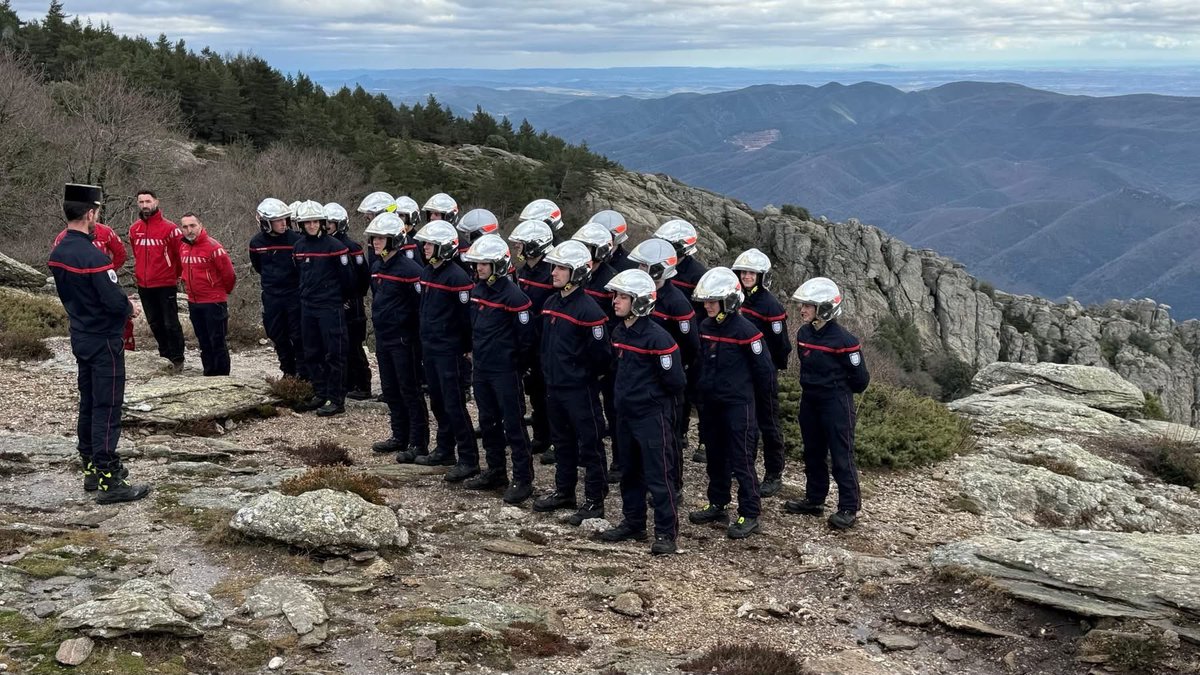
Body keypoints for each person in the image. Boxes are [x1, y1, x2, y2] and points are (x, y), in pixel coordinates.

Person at [49, 183, 149, 504]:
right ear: (90, 213)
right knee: (107, 406)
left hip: (79, 333)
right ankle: (109, 478)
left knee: (89, 401)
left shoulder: (59, 251)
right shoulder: (93, 256)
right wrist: (130, 307)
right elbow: (113, 301)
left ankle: (90, 466)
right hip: (104, 338)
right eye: (97, 212)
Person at [597, 269, 685, 555]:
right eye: (616, 296)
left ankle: (665, 532)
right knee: (629, 472)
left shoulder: (659, 339)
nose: (615, 301)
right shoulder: (620, 331)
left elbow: (675, 382)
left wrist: (651, 401)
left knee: (659, 474)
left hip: (651, 416)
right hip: (625, 414)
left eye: (623, 296)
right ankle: (633, 522)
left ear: (640, 301)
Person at [688, 267, 774, 539]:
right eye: (706, 301)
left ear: (730, 301)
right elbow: (701, 363)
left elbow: (765, 373)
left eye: (714, 301)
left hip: (739, 406)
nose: (708, 306)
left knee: (742, 460)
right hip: (712, 404)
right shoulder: (705, 327)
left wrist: (758, 407)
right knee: (715, 457)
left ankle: (749, 513)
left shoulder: (747, 332)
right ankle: (718, 502)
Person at [531, 240, 612, 526]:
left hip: (580, 389)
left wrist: (581, 375)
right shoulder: (552, 303)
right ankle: (564, 491)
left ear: (576, 272)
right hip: (554, 386)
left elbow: (602, 356)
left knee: (589, 444)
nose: (553, 272)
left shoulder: (590, 312)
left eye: (561, 268)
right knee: (562, 442)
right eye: (554, 267)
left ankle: (594, 499)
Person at [783, 277, 870, 530]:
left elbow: (861, 379)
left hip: (836, 402)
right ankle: (814, 499)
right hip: (810, 400)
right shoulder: (803, 333)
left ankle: (848, 507)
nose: (802, 310)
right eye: (803, 306)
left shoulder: (845, 340)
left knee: (841, 455)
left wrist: (837, 391)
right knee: (813, 451)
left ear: (825, 308)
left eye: (808, 306)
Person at [462, 234, 536, 504]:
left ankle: (523, 478)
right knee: (488, 421)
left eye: (485, 264)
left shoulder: (515, 297)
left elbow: (526, 338)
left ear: (498, 265)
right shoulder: (478, 290)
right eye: (477, 264)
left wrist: (516, 364)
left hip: (505, 370)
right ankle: (495, 471)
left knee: (513, 425)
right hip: (481, 368)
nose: (479, 268)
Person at [627, 238, 700, 490]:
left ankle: (674, 484)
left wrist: (678, 370)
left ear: (658, 270)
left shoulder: (676, 302)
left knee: (671, 436)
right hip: (644, 378)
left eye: (643, 267)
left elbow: (691, 344)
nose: (639, 271)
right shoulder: (641, 295)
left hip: (667, 379)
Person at [412, 221, 480, 482]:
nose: (425, 248)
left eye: (430, 244)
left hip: (449, 350)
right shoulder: (428, 272)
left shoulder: (458, 278)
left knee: (454, 404)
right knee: (438, 402)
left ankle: (468, 458)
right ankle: (444, 449)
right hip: (430, 347)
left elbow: (466, 319)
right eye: (425, 244)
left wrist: (465, 348)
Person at [364, 213, 429, 461]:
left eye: (380, 238)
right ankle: (399, 436)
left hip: (405, 340)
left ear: (394, 240)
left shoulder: (411, 270)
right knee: (390, 389)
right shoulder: (377, 266)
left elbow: (419, 306)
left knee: (409, 390)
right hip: (384, 338)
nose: (375, 243)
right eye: (374, 238)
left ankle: (418, 443)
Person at [731, 248, 792, 497]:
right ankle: (745, 465)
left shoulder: (771, 305)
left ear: (761, 276)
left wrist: (771, 368)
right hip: (740, 372)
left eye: (751, 273)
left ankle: (774, 473)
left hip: (763, 372)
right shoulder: (735, 298)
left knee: (768, 423)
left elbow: (781, 344)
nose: (746, 276)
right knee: (746, 422)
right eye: (743, 272)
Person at [651, 219, 709, 463]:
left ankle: (703, 440)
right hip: (665, 336)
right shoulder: (660, 268)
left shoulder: (698, 274)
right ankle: (680, 431)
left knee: (696, 389)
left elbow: (705, 310)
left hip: (690, 338)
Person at [292, 200, 355, 416]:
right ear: (301, 224)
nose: (311, 225)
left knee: (335, 353)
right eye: (307, 222)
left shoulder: (336, 247)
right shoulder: (299, 247)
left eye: (315, 221)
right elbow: (297, 274)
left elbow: (348, 279)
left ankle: (337, 399)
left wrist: (341, 300)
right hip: (307, 306)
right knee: (311, 351)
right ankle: (320, 393)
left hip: (330, 307)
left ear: (322, 222)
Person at [571, 222, 620, 482]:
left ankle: (619, 461)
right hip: (581, 353)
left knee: (614, 409)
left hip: (607, 352)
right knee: (587, 408)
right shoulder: (580, 274)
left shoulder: (611, 280)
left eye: (589, 248)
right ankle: (584, 449)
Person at [508, 220, 557, 465]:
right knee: (535, 391)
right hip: (529, 339)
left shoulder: (551, 271)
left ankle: (557, 441)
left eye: (522, 244)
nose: (518, 248)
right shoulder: (524, 270)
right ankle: (541, 435)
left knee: (550, 393)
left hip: (546, 340)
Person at [53, 219, 134, 351]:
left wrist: (109, 273)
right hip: (81, 286)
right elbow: (57, 262)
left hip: (104, 282)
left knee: (119, 312)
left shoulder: (106, 232)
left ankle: (126, 347)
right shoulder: (63, 237)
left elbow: (121, 254)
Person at [128, 189, 185, 372]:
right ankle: (164, 354)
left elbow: (180, 255)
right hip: (144, 284)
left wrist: (176, 276)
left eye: (148, 201)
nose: (145, 205)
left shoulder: (170, 229)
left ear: (156, 202)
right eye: (141, 202)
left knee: (170, 322)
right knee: (155, 322)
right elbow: (136, 253)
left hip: (165, 283)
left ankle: (177, 358)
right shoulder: (134, 229)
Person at [250, 198, 305, 380]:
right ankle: (288, 372)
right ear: (266, 222)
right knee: (277, 334)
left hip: (294, 294)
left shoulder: (296, 240)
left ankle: (303, 373)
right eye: (278, 220)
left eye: (285, 219)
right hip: (272, 295)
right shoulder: (256, 243)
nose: (283, 223)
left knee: (298, 335)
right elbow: (258, 267)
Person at [178, 213, 236, 376]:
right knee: (203, 341)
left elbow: (229, 274)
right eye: (185, 227)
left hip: (214, 302)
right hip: (193, 301)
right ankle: (209, 373)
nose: (189, 230)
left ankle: (222, 377)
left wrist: (220, 293)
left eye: (192, 226)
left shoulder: (213, 247)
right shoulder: (183, 247)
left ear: (200, 226)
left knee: (217, 341)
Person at [325, 203, 372, 400]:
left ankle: (363, 384)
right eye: (325, 222)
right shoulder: (325, 245)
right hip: (334, 303)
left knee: (354, 345)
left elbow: (363, 277)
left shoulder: (352, 247)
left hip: (353, 305)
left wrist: (352, 298)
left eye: (330, 223)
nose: (326, 226)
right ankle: (345, 382)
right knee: (337, 347)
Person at [456, 208, 501, 273]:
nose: (466, 236)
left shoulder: (498, 256)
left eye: (469, 234)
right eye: (465, 234)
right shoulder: (469, 252)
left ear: (479, 233)